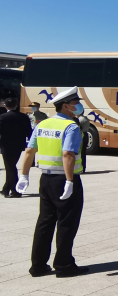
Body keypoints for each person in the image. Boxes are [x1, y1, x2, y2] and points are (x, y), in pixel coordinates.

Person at [16, 87, 88, 278]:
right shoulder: (71, 126)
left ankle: (38, 265)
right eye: (75, 103)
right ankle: (64, 265)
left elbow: (29, 151)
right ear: (66, 106)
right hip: (64, 180)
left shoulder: (43, 124)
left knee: (45, 221)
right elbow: (68, 154)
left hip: (46, 179)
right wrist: (70, 181)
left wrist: (24, 176)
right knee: (67, 222)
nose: (78, 106)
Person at [0, 98, 32, 198]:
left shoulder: (2, 117)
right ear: (16, 105)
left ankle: (16, 190)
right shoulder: (23, 117)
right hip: (19, 145)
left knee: (10, 167)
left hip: (6, 145)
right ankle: (6, 188)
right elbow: (29, 131)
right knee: (11, 166)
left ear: (5, 106)